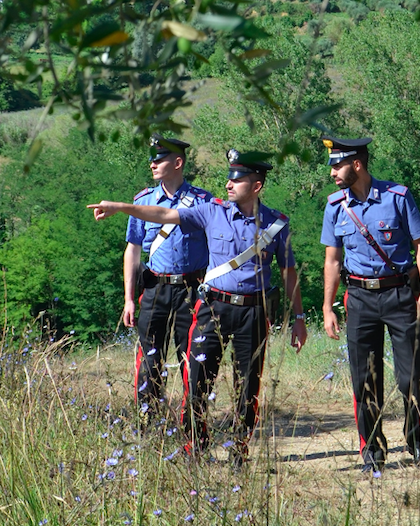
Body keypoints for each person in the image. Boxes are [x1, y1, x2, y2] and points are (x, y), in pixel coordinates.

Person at [90, 149, 307, 465]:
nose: (229, 185)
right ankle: (196, 445)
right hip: (213, 308)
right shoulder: (211, 211)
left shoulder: (276, 224)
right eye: (229, 178)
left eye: (238, 179)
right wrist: (120, 208)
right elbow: (163, 216)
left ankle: (238, 449)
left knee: (247, 385)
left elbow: (289, 272)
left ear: (256, 186)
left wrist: (298, 317)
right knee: (197, 380)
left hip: (254, 312)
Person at [320, 137, 420, 477]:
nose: (332, 173)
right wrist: (328, 307)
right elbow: (331, 260)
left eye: (337, 165)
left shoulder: (396, 197)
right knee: (364, 381)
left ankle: (416, 443)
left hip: (400, 295)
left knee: (410, 377)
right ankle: (373, 451)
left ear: (356, 165)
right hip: (358, 299)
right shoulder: (334, 207)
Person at [124, 136, 212, 420]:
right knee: (149, 361)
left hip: (191, 289)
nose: (152, 163)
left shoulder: (203, 202)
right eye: (152, 158)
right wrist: (128, 299)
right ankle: (149, 428)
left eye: (159, 159)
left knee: (193, 362)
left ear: (177, 162)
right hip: (154, 290)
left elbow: (216, 248)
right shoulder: (143, 202)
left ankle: (192, 431)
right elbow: (133, 250)